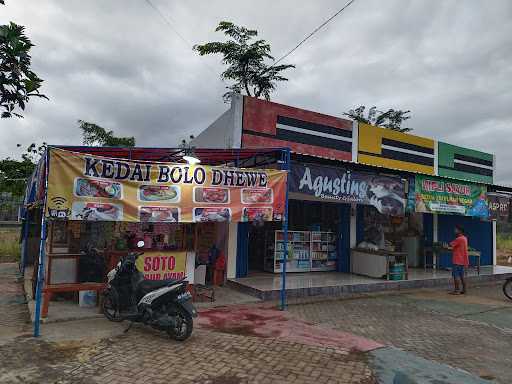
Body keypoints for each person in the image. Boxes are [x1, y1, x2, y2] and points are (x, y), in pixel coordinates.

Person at [449, 225, 469, 295]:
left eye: (456, 230)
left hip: (457, 260)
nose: (454, 231)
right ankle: (464, 289)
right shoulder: (465, 238)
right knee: (462, 276)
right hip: (463, 261)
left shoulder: (459, 239)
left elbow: (451, 245)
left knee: (456, 276)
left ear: (460, 231)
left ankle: (457, 290)